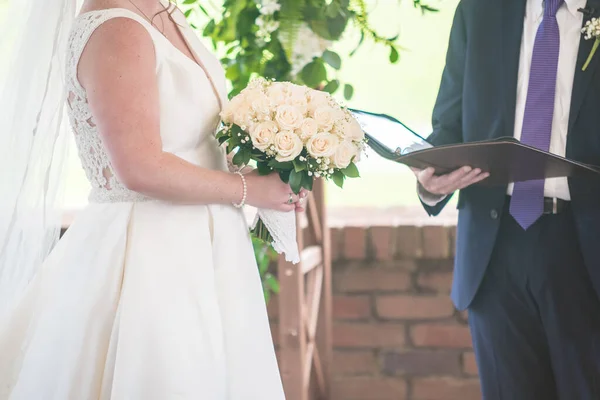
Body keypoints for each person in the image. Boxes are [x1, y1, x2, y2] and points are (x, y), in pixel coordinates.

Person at [0, 0, 305, 398]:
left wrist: (262, 166)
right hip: (153, 254)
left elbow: (195, 139)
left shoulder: (161, 9)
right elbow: (140, 167)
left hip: (208, 248)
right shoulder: (115, 29)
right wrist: (250, 191)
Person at [413, 0, 600, 398]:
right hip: (495, 247)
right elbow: (448, 127)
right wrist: (431, 181)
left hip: (587, 247)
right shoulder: (479, 11)